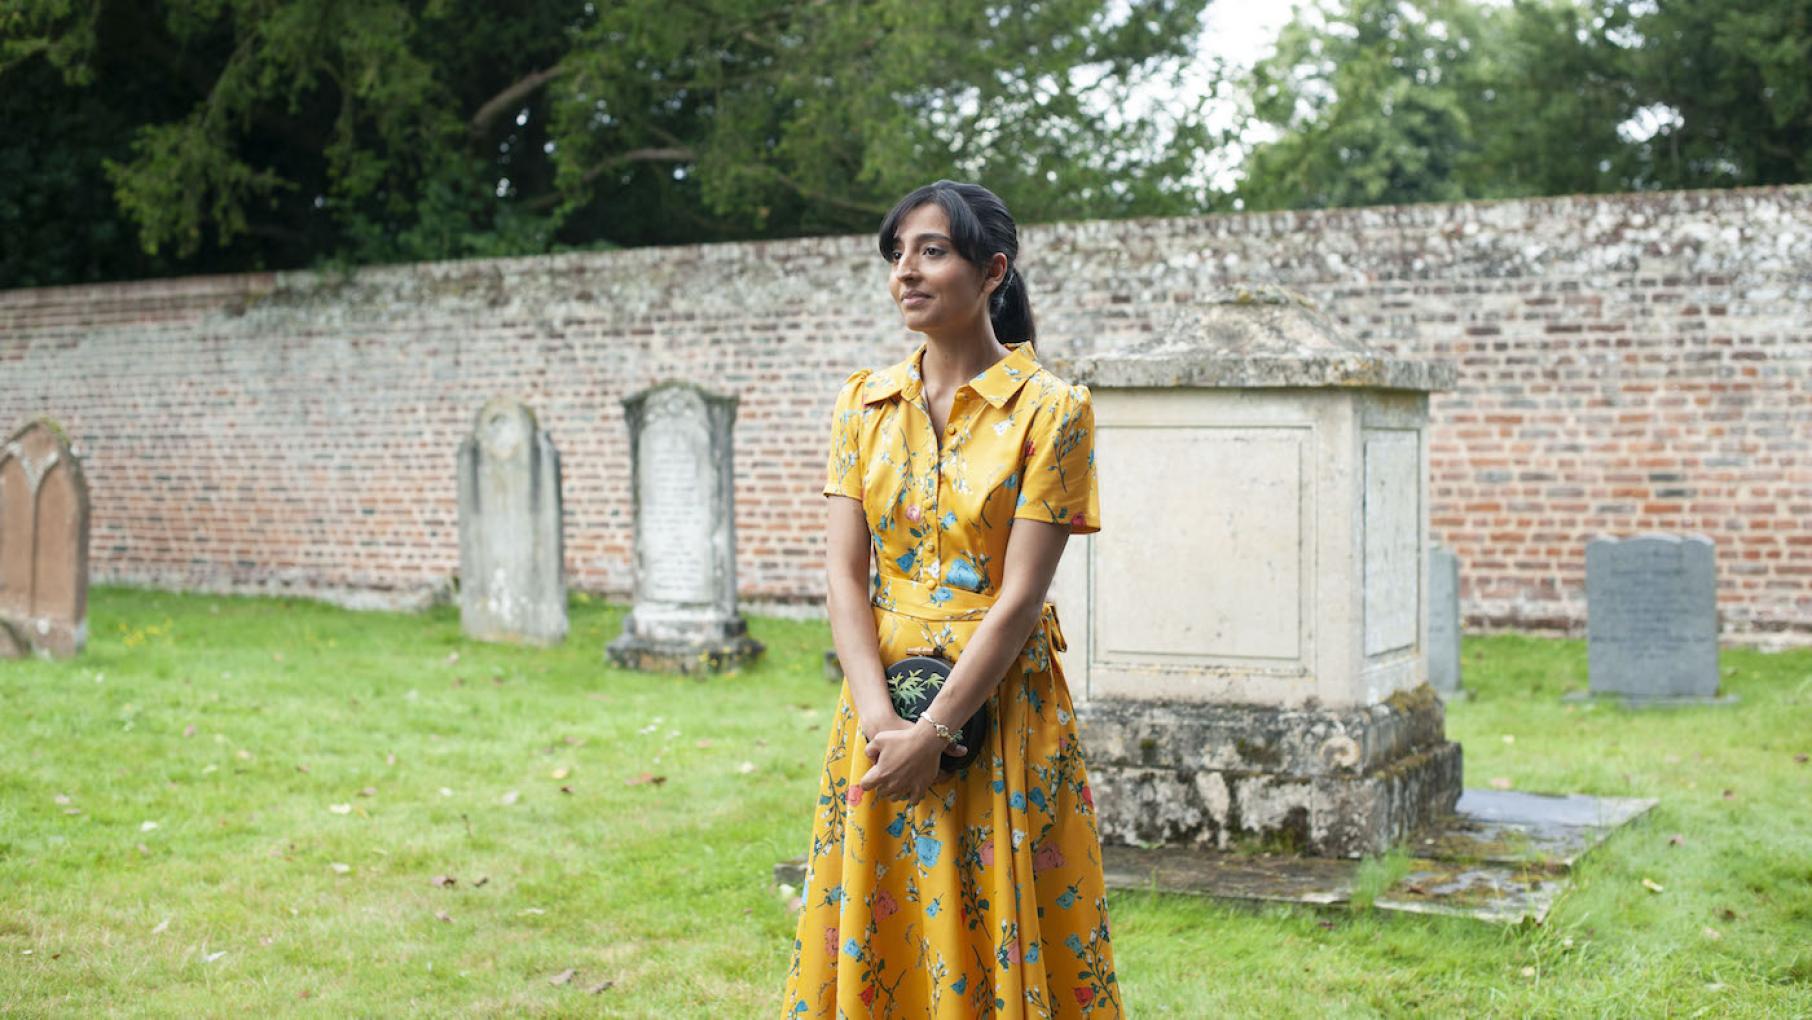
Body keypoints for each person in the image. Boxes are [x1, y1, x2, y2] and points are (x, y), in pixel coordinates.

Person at [783, 180, 1120, 1017]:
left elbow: (1020, 598)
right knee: (882, 915)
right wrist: (882, 726)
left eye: (931, 250)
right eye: (896, 254)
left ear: (993, 269)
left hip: (1000, 707)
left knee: (1005, 907)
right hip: (879, 704)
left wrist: (935, 733)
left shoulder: (1054, 411)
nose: (907, 271)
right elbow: (842, 577)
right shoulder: (863, 405)